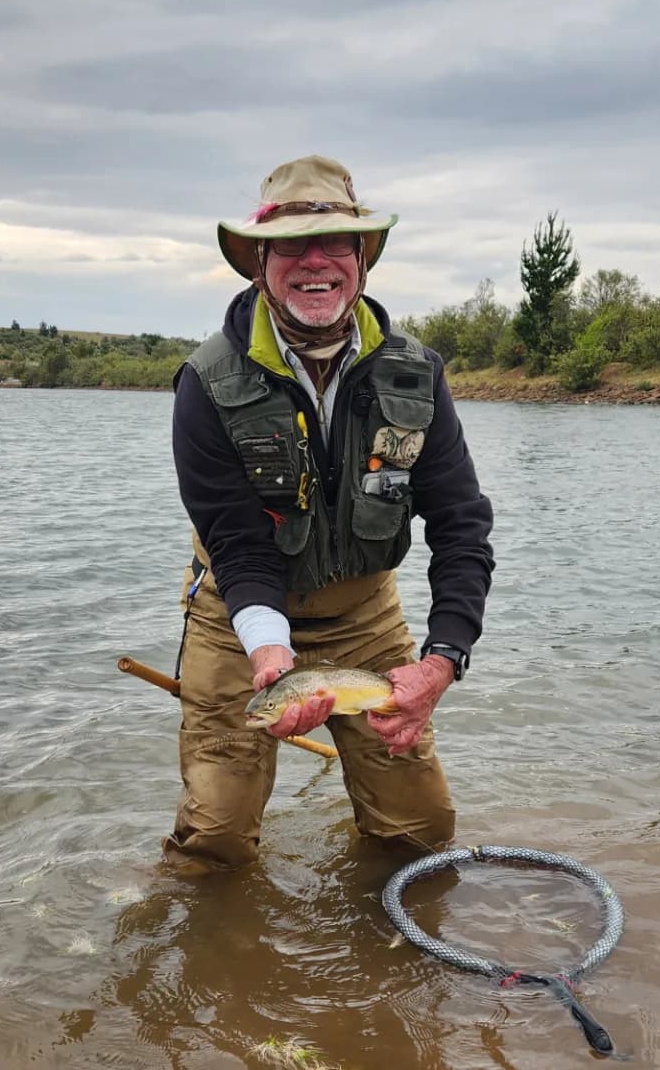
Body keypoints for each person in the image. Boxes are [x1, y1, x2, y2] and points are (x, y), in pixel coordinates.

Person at [163, 154, 496, 875]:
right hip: (238, 616)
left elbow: (462, 526)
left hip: (366, 613)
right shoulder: (205, 383)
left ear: (363, 259)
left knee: (420, 832)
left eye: (335, 243)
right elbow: (237, 543)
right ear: (260, 263)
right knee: (214, 840)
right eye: (290, 246)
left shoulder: (417, 374)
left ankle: (379, 957)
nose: (315, 261)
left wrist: (442, 662)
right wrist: (271, 653)